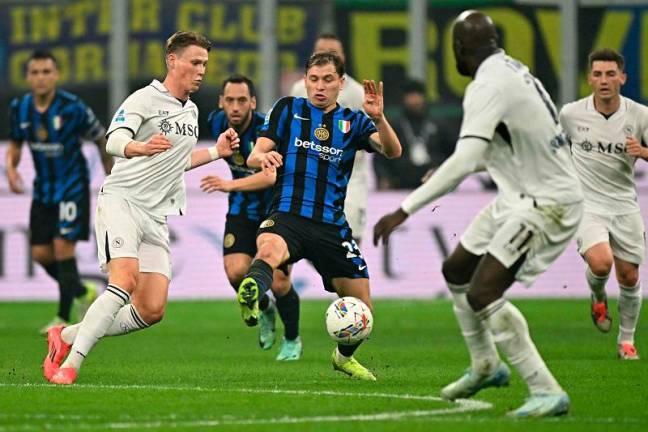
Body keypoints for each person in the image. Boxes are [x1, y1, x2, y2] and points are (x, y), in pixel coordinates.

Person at [373, 11, 583, 417]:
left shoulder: (487, 83)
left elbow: (468, 157)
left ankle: (546, 390)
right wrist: (456, 166)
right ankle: (485, 364)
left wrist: (405, 207)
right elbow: (507, 146)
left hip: (546, 203)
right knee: (456, 269)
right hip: (518, 194)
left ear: (457, 50)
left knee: (483, 292)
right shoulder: (515, 70)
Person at [42, 31, 240, 385]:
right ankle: (70, 366)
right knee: (124, 281)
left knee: (151, 309)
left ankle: (67, 336)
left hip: (155, 214)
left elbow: (176, 161)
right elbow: (113, 139)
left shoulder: (191, 111)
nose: (201, 70)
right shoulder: (144, 99)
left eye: (205, 64)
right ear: (172, 60)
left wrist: (216, 153)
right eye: (195, 62)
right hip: (122, 201)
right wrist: (138, 147)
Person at [237, 51, 401, 381]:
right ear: (305, 81)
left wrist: (380, 118)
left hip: (331, 226)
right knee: (268, 251)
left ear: (341, 83)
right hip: (288, 214)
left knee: (363, 309)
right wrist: (263, 158)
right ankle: (252, 291)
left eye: (327, 80)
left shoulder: (354, 121)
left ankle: (343, 357)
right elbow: (255, 153)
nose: (319, 87)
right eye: (313, 79)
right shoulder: (287, 108)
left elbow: (393, 151)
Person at [6, 49, 113, 333]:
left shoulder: (73, 108)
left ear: (56, 75)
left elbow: (101, 137)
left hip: (72, 189)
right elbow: (16, 144)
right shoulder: (21, 108)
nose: (41, 78)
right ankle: (82, 291)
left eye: (46, 72)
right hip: (43, 192)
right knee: (41, 254)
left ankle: (63, 317)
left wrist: (110, 175)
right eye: (35, 72)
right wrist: (11, 168)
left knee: (63, 248)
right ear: (28, 76)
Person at [200, 74, 302, 360]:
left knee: (280, 282)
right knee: (235, 272)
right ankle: (266, 309)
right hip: (241, 210)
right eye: (229, 100)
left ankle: (292, 339)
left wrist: (228, 185)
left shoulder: (265, 132)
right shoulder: (218, 123)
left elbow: (270, 177)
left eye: (241, 100)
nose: (235, 107)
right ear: (221, 102)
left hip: (276, 212)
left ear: (253, 103)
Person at [559, 48, 646, 360]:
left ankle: (626, 342)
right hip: (587, 204)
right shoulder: (570, 114)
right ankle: (597, 297)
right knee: (600, 263)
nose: (604, 80)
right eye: (598, 74)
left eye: (610, 74)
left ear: (623, 77)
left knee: (630, 278)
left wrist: (644, 152)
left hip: (624, 204)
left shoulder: (640, 115)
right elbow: (552, 148)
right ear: (589, 79)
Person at [289, 34, 368, 243]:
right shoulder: (299, 89)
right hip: (307, 176)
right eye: (320, 52)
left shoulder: (358, 93)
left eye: (332, 53)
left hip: (348, 179)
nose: (326, 57)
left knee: (349, 240)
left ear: (343, 57)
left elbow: (369, 139)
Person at [373, 79, 455, 190]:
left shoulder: (439, 125)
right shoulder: (394, 126)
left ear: (424, 98)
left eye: (418, 95)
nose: (415, 100)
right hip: (400, 182)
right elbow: (380, 156)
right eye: (411, 96)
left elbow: (453, 152)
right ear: (404, 99)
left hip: (433, 181)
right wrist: (384, 177)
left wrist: (447, 175)